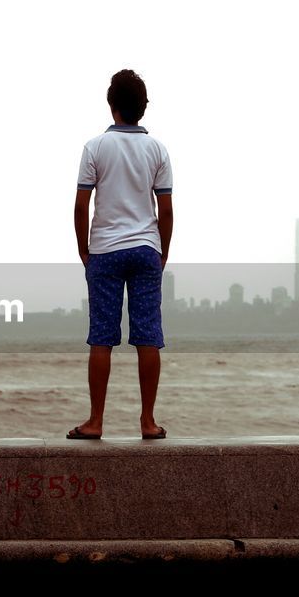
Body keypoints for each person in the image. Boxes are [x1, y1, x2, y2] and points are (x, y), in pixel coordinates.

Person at [68, 69, 173, 440]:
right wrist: (162, 252)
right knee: (148, 336)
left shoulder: (95, 147)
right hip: (146, 248)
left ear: (111, 104)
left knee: (102, 338)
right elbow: (166, 209)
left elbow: (82, 205)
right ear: (143, 107)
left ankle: (95, 421)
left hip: (105, 251)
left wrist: (84, 249)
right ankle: (147, 421)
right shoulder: (157, 149)